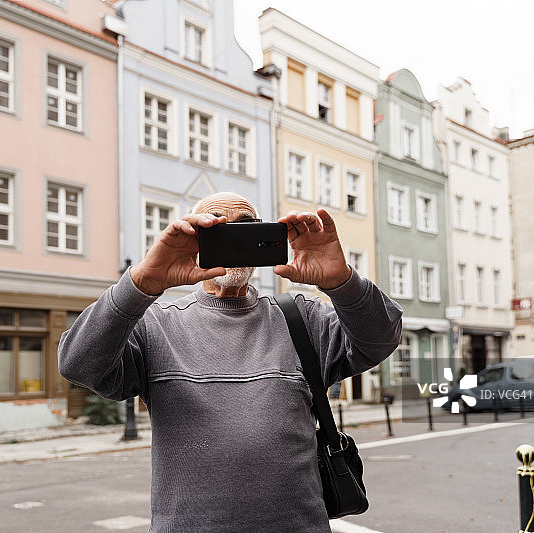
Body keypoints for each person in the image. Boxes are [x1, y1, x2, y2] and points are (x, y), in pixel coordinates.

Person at [58, 192, 402, 532]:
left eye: (245, 227)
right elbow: (78, 364)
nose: (232, 237)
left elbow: (380, 339)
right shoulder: (155, 326)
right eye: (216, 230)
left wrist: (342, 282)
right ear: (195, 242)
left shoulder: (302, 319)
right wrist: (142, 282)